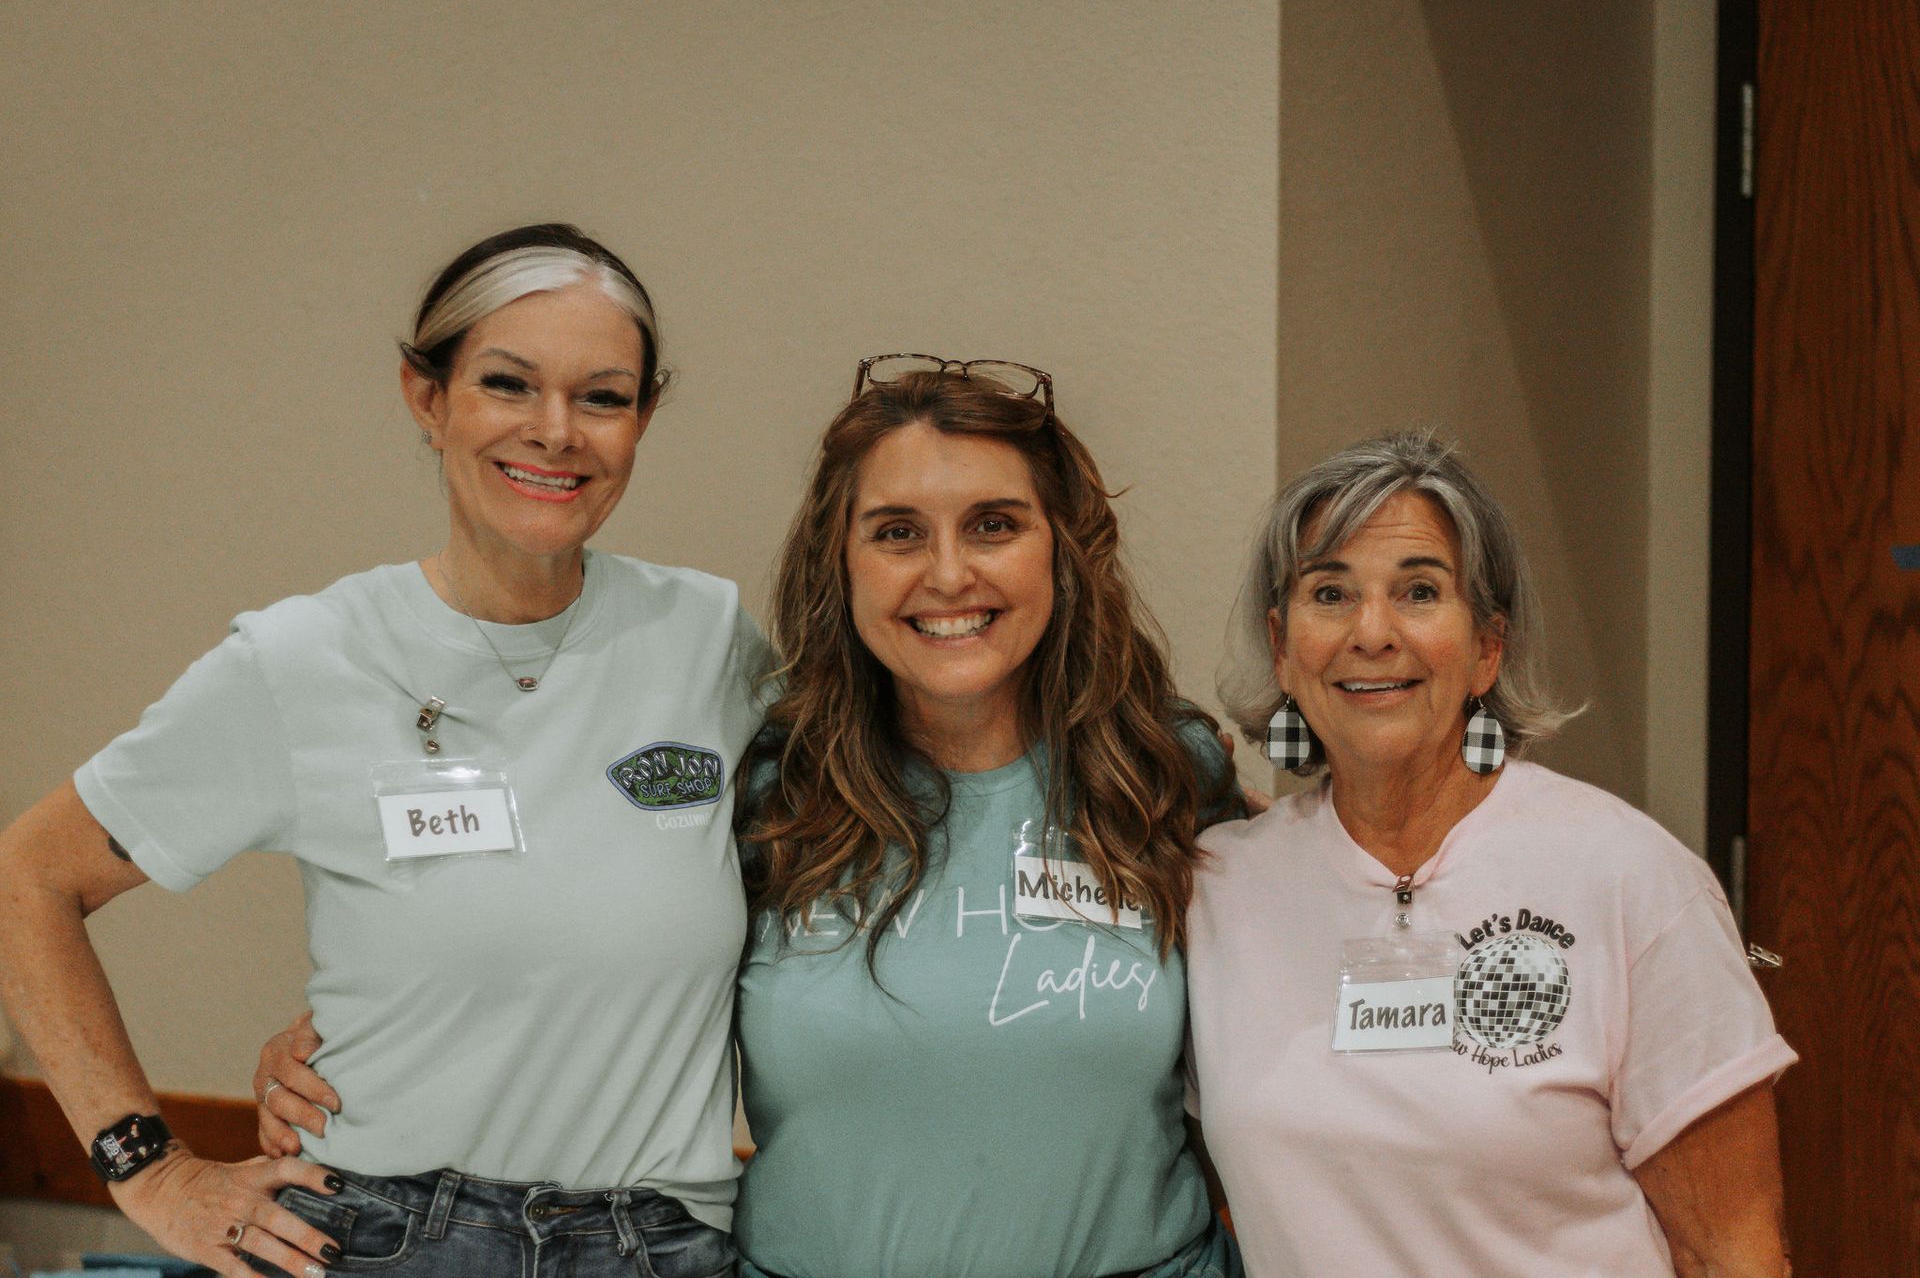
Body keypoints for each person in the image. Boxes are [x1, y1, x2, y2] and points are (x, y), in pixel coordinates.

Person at [260, 357, 1247, 1277]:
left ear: (1063, 550)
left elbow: (1293, 1000)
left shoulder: (1165, 773)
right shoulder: (764, 782)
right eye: (897, 530)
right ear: (842, 560)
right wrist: (361, 1043)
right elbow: (555, 945)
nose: (949, 574)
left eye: (995, 523)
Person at [0, 224, 766, 1278]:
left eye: (603, 396)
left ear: (643, 418)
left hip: (664, 1242)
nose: (557, 432)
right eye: (508, 383)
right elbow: (26, 878)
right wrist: (152, 1167)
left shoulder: (708, 641)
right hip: (388, 1239)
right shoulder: (303, 659)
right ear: (426, 395)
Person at [1186, 432, 1796, 1276]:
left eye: (1419, 592)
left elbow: (1732, 1249)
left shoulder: (1629, 878)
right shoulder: (1217, 890)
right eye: (1330, 592)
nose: (1372, 632)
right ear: (1283, 647)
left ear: (1487, 648)